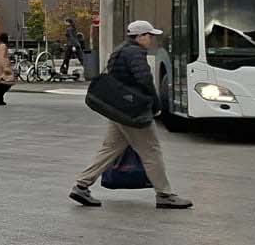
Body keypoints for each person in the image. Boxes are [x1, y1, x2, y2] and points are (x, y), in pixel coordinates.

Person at [70, 21, 192, 209]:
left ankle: (81, 185)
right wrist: (156, 104)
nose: (151, 40)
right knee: (151, 150)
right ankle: (165, 194)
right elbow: (145, 80)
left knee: (110, 149)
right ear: (140, 36)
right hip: (133, 112)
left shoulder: (120, 50)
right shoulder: (135, 53)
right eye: (149, 36)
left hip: (118, 109)